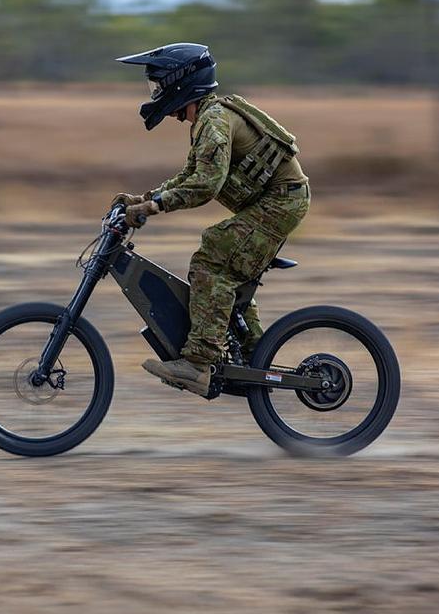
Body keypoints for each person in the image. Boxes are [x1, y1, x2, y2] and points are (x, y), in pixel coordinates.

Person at [112, 43, 310, 397]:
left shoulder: (214, 120)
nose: (154, 93)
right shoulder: (207, 118)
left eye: (157, 85)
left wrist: (155, 208)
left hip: (282, 203)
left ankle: (198, 363)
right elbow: (190, 175)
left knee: (211, 259)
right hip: (277, 202)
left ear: (180, 82)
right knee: (228, 271)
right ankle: (253, 355)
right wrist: (144, 200)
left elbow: (206, 185)